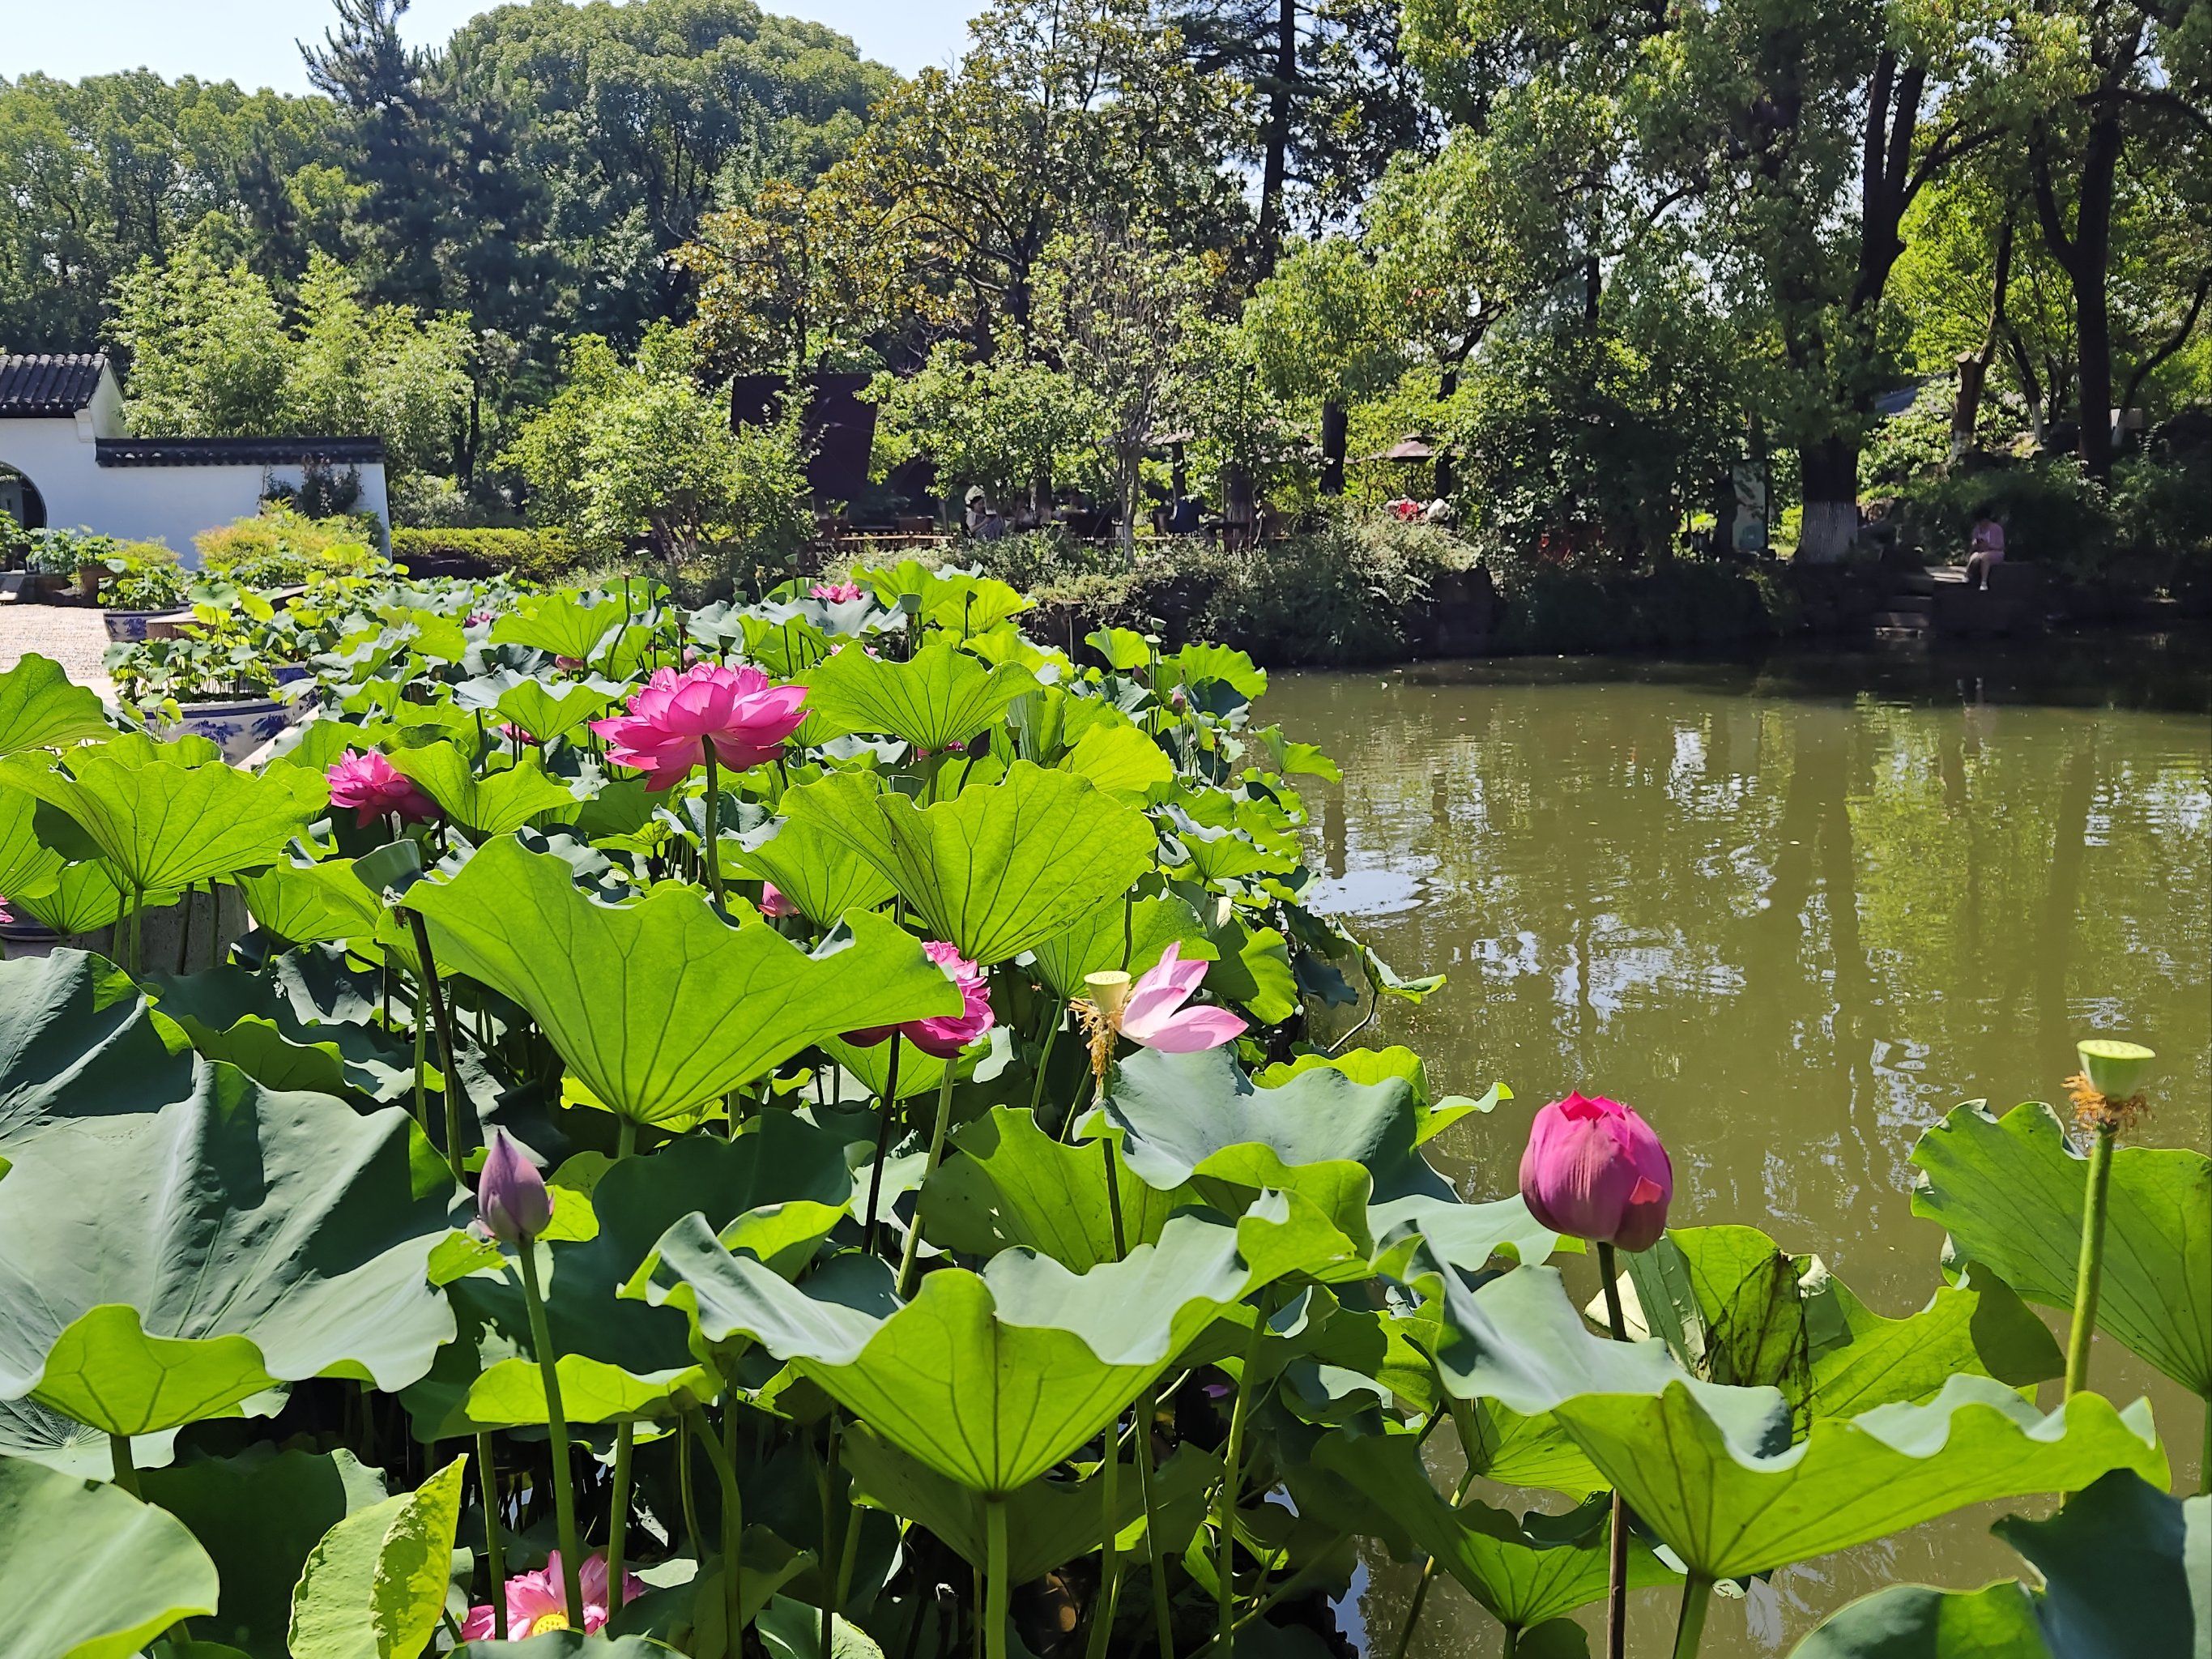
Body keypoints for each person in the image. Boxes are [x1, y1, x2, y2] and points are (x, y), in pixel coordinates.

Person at [1966, 514, 2005, 590]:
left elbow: (2001, 546)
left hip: (1996, 552)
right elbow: (1973, 544)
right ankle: (1967, 575)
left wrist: (1988, 545)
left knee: (1985, 557)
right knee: (1974, 556)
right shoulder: (1977, 529)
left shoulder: (1997, 529)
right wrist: (1975, 544)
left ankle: (1984, 582)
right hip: (1980, 552)